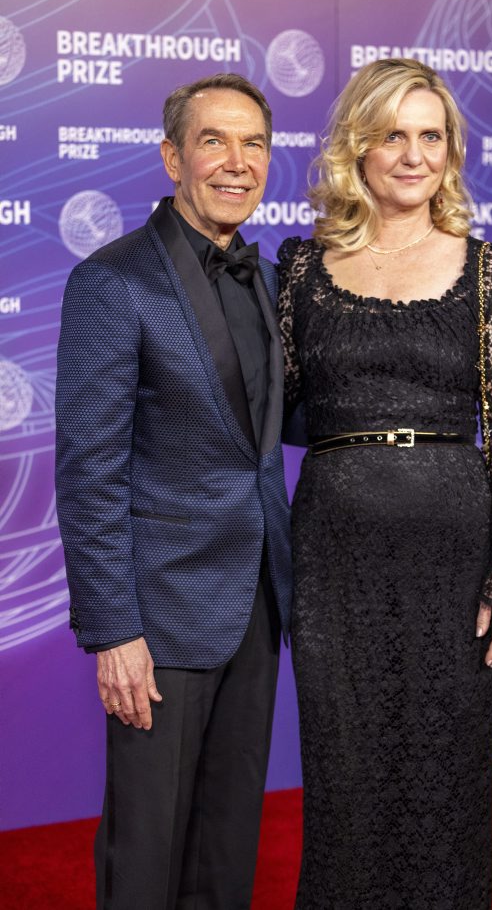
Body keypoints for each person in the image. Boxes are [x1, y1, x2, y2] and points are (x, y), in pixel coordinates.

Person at [277, 58, 492, 909]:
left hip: (452, 558)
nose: (414, 155)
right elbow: (268, 411)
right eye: (394, 135)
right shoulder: (301, 270)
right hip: (334, 555)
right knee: (344, 774)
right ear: (359, 145)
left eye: (432, 136)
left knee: (445, 777)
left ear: (451, 150)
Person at [55, 73, 292, 910]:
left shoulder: (268, 281)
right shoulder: (113, 281)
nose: (237, 162)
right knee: (146, 853)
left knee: (227, 847)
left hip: (257, 602)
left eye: (254, 143)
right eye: (213, 141)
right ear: (171, 157)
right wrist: (113, 630)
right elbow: (89, 472)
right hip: (159, 618)